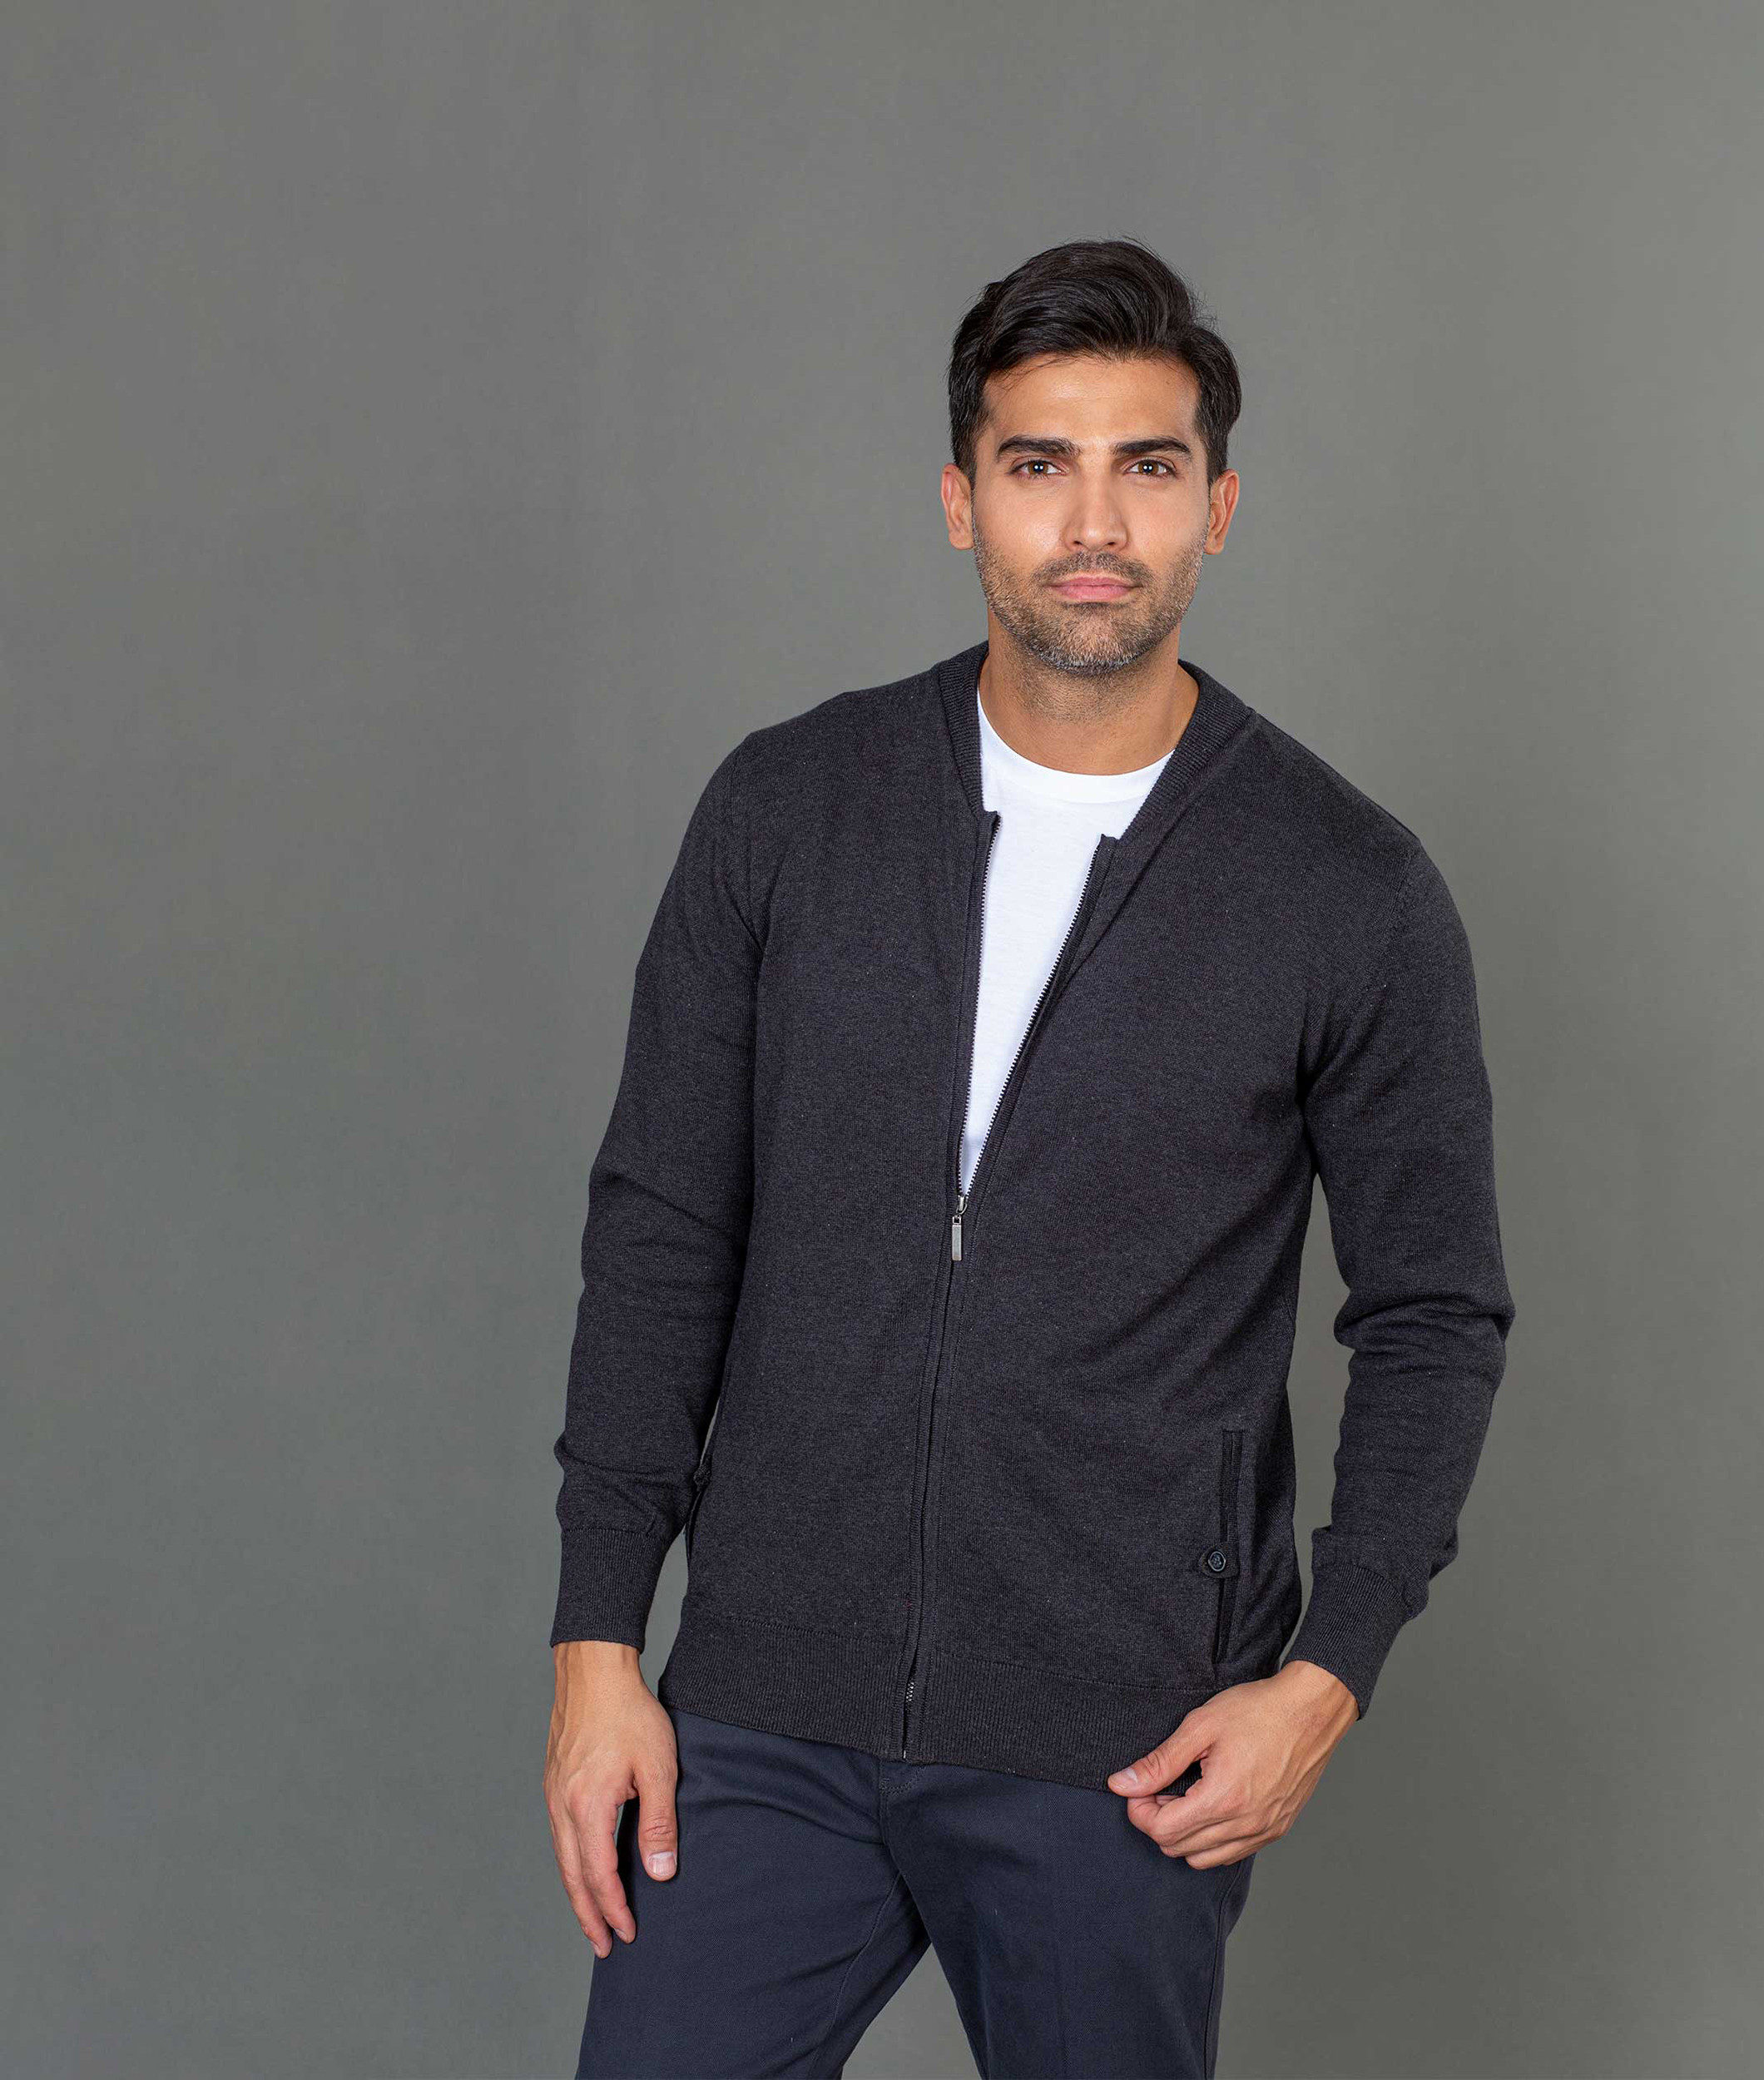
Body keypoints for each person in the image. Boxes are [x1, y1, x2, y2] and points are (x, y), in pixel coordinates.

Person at [542, 236, 1517, 2080]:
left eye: (1146, 465)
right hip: (762, 1711)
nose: (1091, 523)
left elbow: (1432, 1312)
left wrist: (1327, 1672)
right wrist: (600, 1640)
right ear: (959, 500)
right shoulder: (787, 808)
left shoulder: (1344, 886)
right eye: (1036, 463)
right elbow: (664, 1227)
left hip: (1119, 1744)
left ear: (1216, 506)